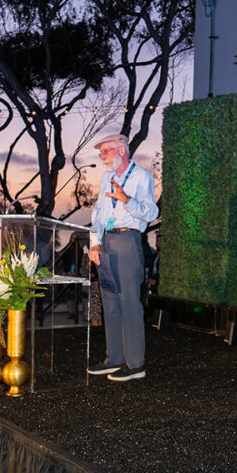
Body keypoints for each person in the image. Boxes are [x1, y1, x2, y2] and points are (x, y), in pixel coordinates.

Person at [86, 133, 158, 382]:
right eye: (101, 153)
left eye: (106, 151)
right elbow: (98, 213)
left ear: (122, 151)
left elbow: (150, 212)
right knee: (110, 303)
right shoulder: (107, 178)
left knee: (129, 303)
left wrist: (127, 200)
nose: (102, 157)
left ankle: (136, 364)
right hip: (106, 242)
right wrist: (95, 244)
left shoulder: (141, 176)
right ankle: (114, 358)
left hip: (127, 241)